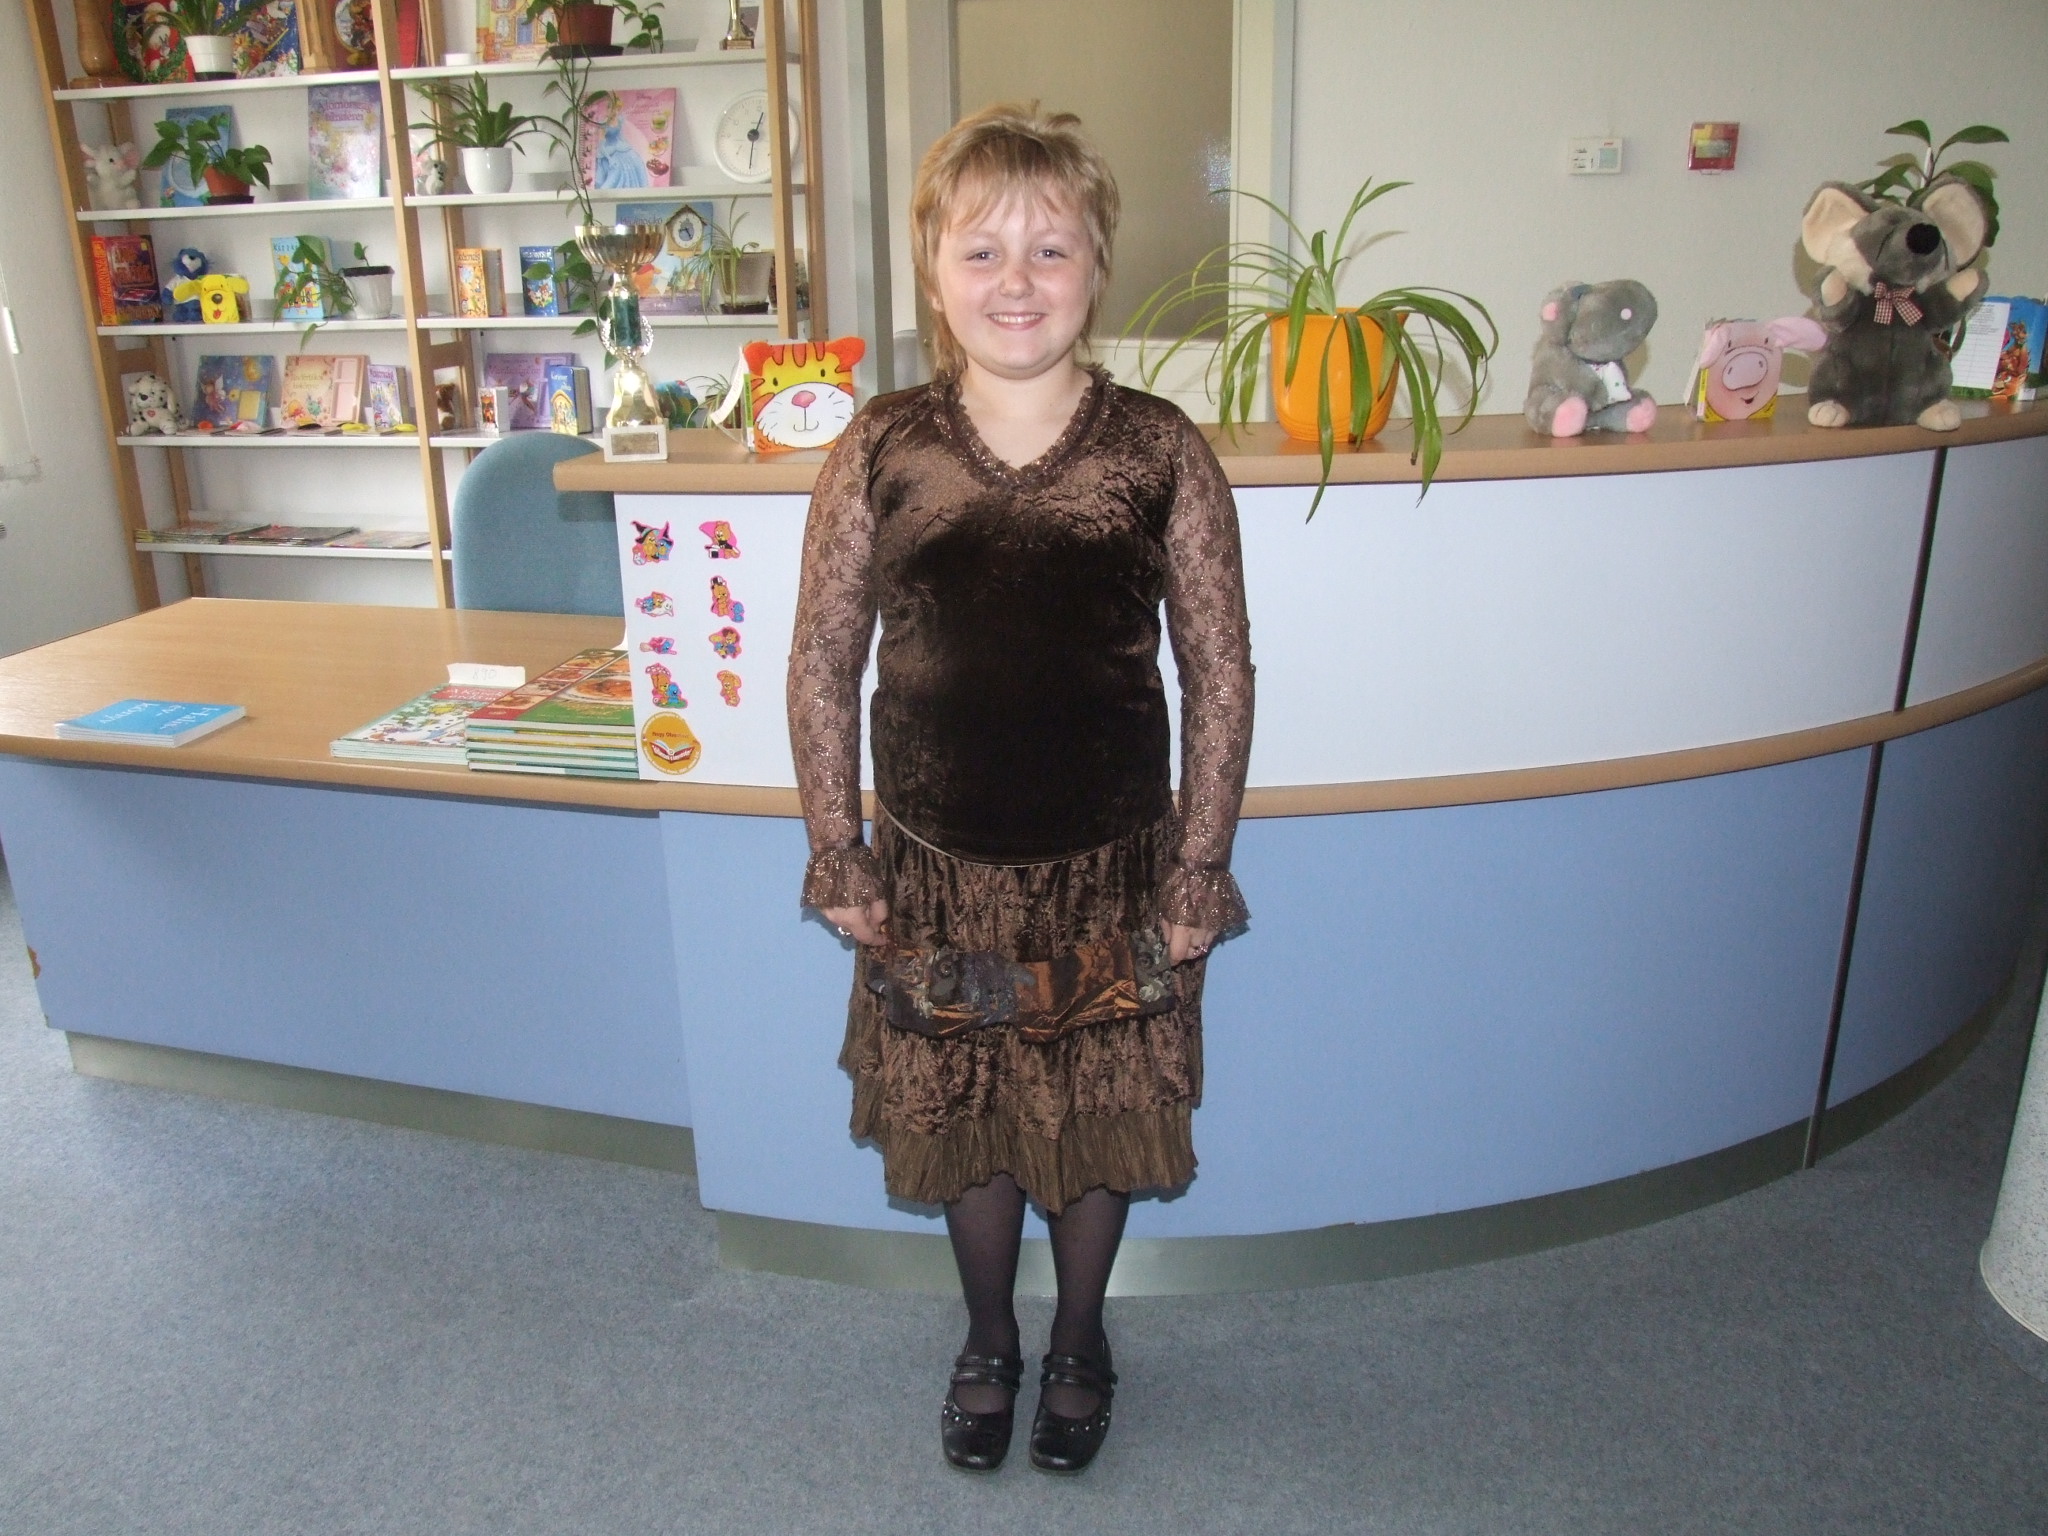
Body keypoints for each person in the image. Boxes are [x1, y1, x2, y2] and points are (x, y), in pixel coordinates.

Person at [786, 103, 1253, 1475]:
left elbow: (1220, 668)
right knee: (971, 1110)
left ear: (1095, 267)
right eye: (981, 250)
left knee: (1097, 1116)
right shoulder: (883, 444)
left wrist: (1199, 868)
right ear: (932, 272)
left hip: (1114, 869)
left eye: (1050, 249)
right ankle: (990, 1335)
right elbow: (822, 658)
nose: (1016, 281)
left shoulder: (1160, 449)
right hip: (935, 869)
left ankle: (1084, 1336)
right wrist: (838, 847)